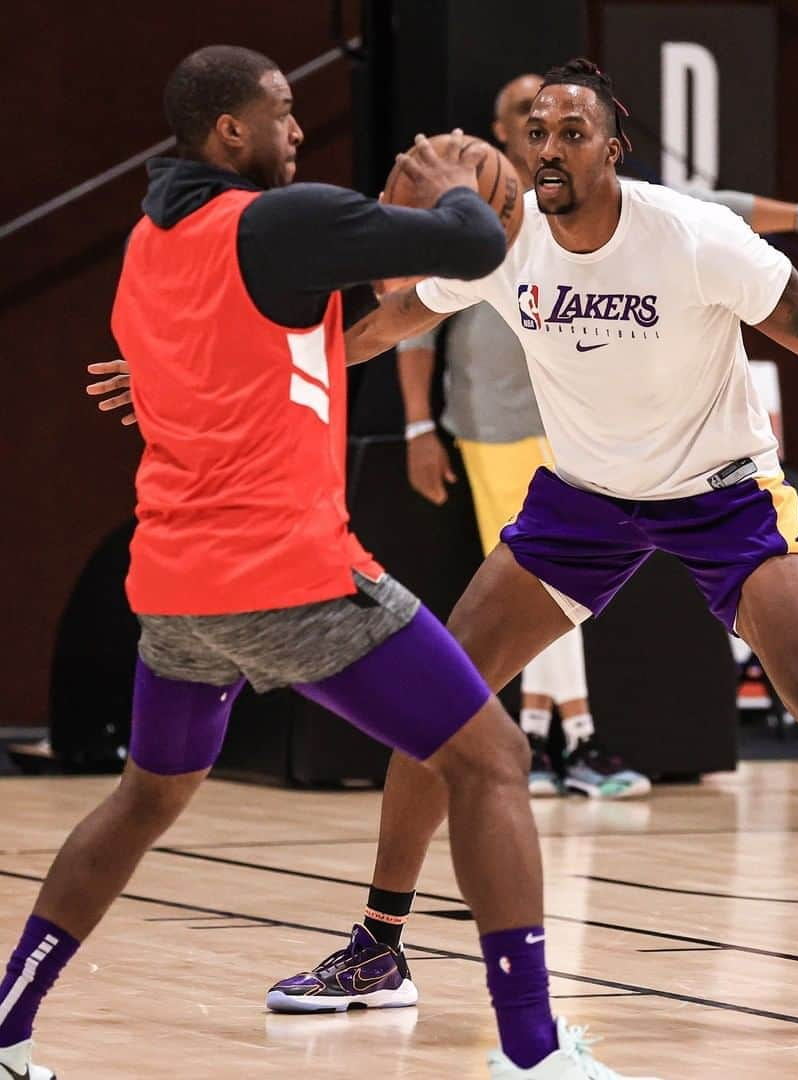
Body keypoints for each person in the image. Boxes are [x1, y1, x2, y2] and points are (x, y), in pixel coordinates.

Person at [88, 57, 798, 1041]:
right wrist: (188, 373)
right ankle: (380, 944)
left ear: (614, 149)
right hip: (583, 502)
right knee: (447, 698)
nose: (548, 148)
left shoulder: (690, 235)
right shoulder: (506, 244)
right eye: (536, 134)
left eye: (570, 134)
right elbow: (376, 327)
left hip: (723, 494)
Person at [4, 46, 644, 1080]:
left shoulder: (150, 241)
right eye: (284, 112)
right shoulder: (276, 222)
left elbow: (299, 329)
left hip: (174, 587)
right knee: (489, 760)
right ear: (230, 133)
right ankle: (531, 1053)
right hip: (289, 570)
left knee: (144, 797)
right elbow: (473, 246)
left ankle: (3, 1028)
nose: (298, 132)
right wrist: (447, 187)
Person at [399, 74, 798, 797]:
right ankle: (554, 733)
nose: (541, 135)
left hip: (574, 429)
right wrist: (418, 421)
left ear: (603, 142)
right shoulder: (481, 216)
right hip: (491, 422)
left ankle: (563, 732)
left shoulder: (623, 212)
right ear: (504, 133)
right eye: (526, 120)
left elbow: (716, 208)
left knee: (537, 605)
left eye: (567, 128)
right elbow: (410, 320)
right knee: (516, 601)